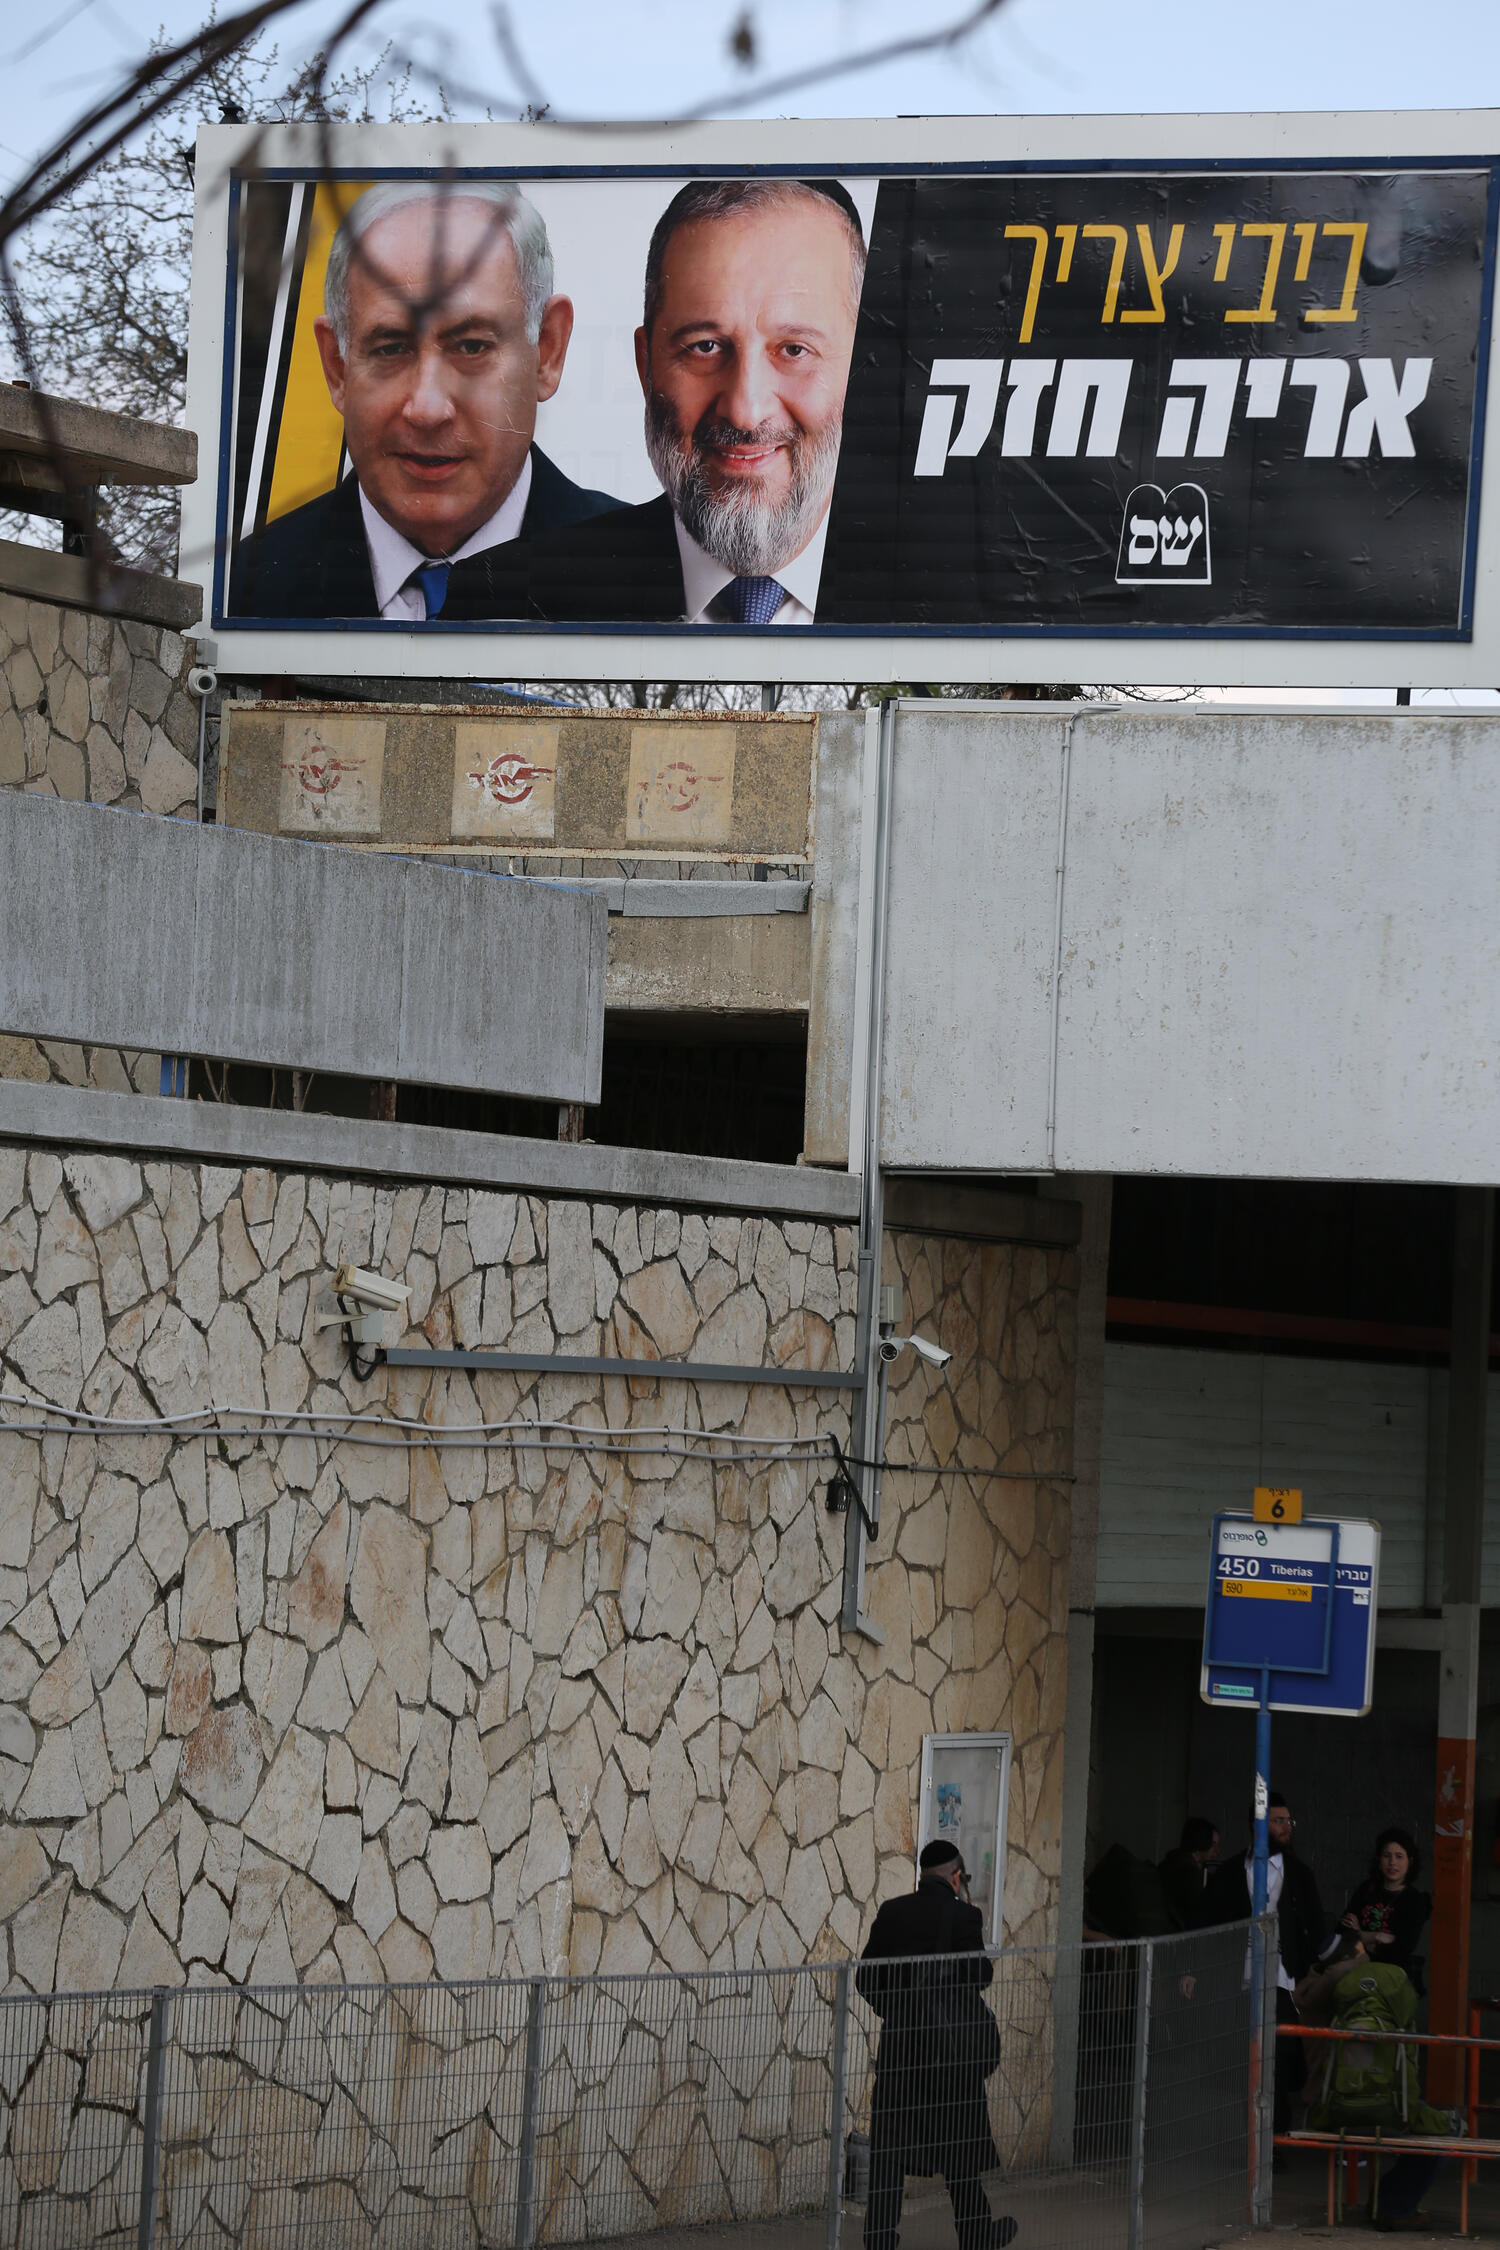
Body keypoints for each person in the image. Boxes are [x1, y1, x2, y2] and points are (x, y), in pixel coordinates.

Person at [445, 176, 864, 625]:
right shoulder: (500, 600)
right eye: (705, 346)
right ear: (646, 365)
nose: (745, 411)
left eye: (795, 350)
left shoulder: (919, 597)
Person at [230, 181, 622, 619]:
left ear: (546, 351)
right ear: (337, 366)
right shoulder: (237, 594)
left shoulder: (657, 585)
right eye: (391, 348)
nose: (427, 409)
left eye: (471, 347)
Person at [857, 1840, 1018, 2250]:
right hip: (951, 2055)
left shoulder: (892, 1912)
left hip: (901, 2051)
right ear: (956, 1876)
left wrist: (897, 2010)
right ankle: (976, 2235)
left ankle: (879, 2239)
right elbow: (979, 1975)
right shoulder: (964, 1916)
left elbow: (865, 1979)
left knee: (890, 2150)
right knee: (959, 2147)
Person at [1197, 1792, 1325, 2138]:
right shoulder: (1231, 1873)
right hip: (1239, 1982)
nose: (1287, 1827)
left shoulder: (1299, 1874)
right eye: (1278, 1821)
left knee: (1278, 2062)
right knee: (1243, 2063)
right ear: (1258, 1826)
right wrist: (1193, 1970)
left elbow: (1316, 1929)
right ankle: (1248, 2142)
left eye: (1288, 1821)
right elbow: (1206, 1923)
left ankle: (1274, 2143)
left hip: (1283, 1983)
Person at [1337, 1827, 1431, 1986]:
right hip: (1355, 1960)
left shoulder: (1414, 1900)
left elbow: (1401, 1948)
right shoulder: (1367, 1889)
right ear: (1379, 1860)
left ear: (1410, 1862)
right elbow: (1341, 1932)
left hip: (1389, 1973)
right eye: (1387, 1856)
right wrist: (1376, 1937)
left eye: (1399, 1856)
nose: (1392, 1862)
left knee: (1336, 1973)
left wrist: (1360, 1935)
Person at [1158, 1817, 1220, 1931]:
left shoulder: (1172, 1862)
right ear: (1201, 1841)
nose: (1216, 1850)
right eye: (1212, 1844)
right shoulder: (1188, 1873)